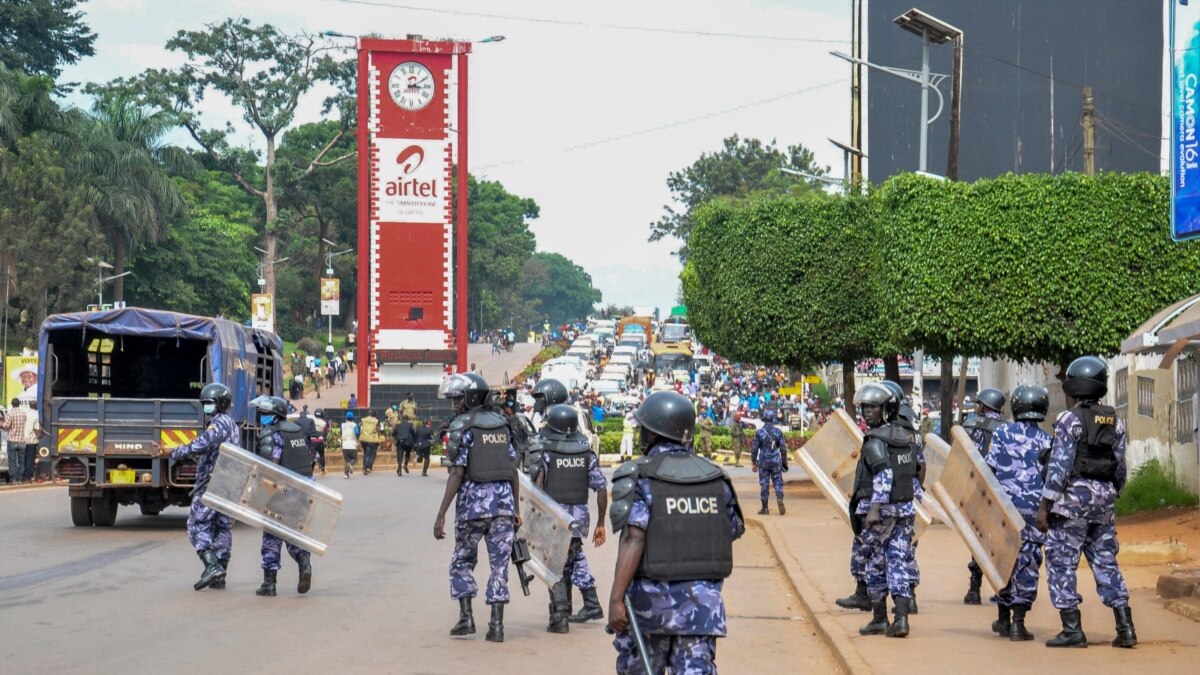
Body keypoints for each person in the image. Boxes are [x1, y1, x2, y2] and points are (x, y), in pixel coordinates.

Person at [608, 390, 744, 673]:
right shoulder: (716, 478)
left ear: (653, 434)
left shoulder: (640, 476)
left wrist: (616, 599)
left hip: (649, 612)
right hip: (702, 612)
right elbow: (730, 530)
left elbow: (635, 537)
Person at [1036, 356, 1137, 649]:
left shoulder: (1069, 419)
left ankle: (1072, 630)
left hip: (1071, 505)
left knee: (1061, 562)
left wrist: (1045, 507)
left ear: (1074, 385)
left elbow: (1059, 467)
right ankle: (1126, 627)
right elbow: (1120, 466)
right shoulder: (1114, 420)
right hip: (1103, 503)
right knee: (1106, 560)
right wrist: (1112, 492)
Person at [432, 373, 521, 643]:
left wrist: (441, 514)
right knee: (500, 566)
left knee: (461, 561)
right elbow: (513, 471)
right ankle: (496, 626)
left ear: (471, 397)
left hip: (472, 507)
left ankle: (466, 618)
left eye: (458, 398)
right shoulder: (503, 425)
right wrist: (516, 508)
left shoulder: (464, 427)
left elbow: (457, 474)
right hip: (504, 506)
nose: (455, 404)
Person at [533, 404, 608, 633]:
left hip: (556, 516)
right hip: (579, 518)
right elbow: (602, 488)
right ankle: (590, 604)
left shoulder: (546, 450)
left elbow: (539, 485)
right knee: (573, 558)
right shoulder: (585, 451)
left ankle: (559, 617)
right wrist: (601, 523)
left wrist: (538, 517)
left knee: (554, 565)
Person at [985, 384, 1051, 641]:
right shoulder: (1048, 439)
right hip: (1035, 512)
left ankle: (1002, 618)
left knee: (1003, 560)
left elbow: (989, 469)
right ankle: (1018, 623)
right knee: (1028, 562)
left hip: (1004, 509)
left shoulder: (1001, 433)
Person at [851, 382, 917, 638]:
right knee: (898, 561)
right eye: (865, 407)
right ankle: (900, 619)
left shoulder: (874, 441)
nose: (867, 411)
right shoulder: (906, 436)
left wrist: (875, 508)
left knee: (876, 564)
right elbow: (917, 469)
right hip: (905, 510)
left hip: (881, 515)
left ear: (886, 409)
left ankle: (880, 618)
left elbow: (884, 474)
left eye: (873, 407)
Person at [160, 383, 239, 591]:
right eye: (204, 404)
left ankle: (211, 565)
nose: (206, 407)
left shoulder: (218, 424)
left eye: (209, 403)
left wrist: (175, 452)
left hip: (212, 483)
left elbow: (202, 444)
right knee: (221, 527)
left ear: (220, 404)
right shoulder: (231, 423)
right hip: (228, 482)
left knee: (196, 525)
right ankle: (220, 574)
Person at [250, 396, 315, 597]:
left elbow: (270, 467)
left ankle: (269, 583)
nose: (262, 417)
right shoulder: (297, 431)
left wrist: (258, 496)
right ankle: (304, 563)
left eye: (265, 414)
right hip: (303, 491)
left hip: (280, 492)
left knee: (272, 536)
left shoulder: (272, 434)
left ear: (274, 415)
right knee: (293, 533)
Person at [964, 387, 1007, 605]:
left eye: (978, 403)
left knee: (978, 539)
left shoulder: (974, 426)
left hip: (980, 489)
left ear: (985, 406)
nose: (975, 407)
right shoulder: (1009, 428)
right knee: (1002, 542)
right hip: (1005, 493)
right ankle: (1004, 591)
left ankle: (974, 589)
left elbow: (968, 455)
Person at [751, 409, 788, 515]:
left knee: (764, 484)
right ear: (773, 419)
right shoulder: (778, 432)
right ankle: (780, 499)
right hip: (776, 461)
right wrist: (784, 462)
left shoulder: (759, 432)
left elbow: (754, 449)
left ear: (764, 419)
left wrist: (753, 462)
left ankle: (765, 508)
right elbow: (783, 448)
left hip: (764, 462)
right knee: (778, 482)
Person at [1, 398, 29, 484]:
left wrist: (1, 422)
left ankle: (13, 479)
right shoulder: (23, 414)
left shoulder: (10, 414)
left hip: (12, 440)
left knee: (12, 461)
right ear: (19, 404)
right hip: (21, 440)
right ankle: (20, 479)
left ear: (12, 404)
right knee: (21, 461)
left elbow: (6, 426)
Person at [359, 409, 380, 475]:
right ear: (375, 415)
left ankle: (364, 468)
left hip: (363, 439)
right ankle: (368, 467)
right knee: (372, 453)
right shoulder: (376, 421)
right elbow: (378, 430)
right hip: (372, 439)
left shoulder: (363, 419)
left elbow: (359, 426)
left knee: (366, 453)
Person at [340, 412, 360, 478]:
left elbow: (341, 433)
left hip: (344, 445)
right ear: (352, 418)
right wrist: (358, 440)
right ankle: (350, 464)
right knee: (355, 459)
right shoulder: (354, 425)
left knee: (347, 460)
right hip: (352, 445)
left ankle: (346, 474)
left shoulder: (342, 425)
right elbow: (357, 433)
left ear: (346, 418)